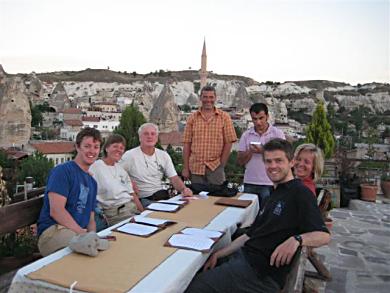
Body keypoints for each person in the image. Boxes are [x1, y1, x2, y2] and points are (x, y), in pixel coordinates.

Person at [185, 138, 330, 293]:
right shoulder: (275, 193)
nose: (273, 166)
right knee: (195, 268)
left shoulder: (300, 193)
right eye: (268, 162)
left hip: (260, 274)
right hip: (246, 259)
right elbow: (251, 234)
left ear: (291, 162)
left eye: (278, 161)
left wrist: (297, 240)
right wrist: (219, 254)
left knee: (194, 287)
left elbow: (324, 236)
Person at [37, 127, 102, 257]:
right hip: (54, 231)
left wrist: (92, 236)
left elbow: (90, 219)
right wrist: (82, 233)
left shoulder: (92, 183)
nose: (92, 151)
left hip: (77, 233)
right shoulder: (62, 171)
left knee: (100, 248)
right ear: (78, 147)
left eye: (96, 147)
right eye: (87, 146)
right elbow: (57, 211)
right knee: (88, 251)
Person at [120, 123, 193, 208]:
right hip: (143, 199)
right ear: (140, 137)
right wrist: (129, 183)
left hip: (161, 197)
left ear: (157, 137)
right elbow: (117, 175)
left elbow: (174, 178)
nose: (149, 136)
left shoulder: (163, 155)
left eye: (153, 134)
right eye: (146, 134)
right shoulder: (130, 156)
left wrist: (184, 189)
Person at [182, 85, 237, 185]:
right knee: (197, 199)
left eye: (211, 97)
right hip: (195, 168)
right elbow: (187, 144)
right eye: (205, 97)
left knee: (217, 198)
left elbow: (229, 142)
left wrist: (222, 164)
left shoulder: (224, 117)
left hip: (215, 167)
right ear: (200, 98)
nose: (208, 100)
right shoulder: (192, 118)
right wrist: (186, 168)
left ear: (215, 98)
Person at [89, 134, 144, 230]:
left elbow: (132, 194)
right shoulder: (95, 167)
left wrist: (143, 213)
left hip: (132, 209)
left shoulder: (120, 169)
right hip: (116, 214)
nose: (119, 150)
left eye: (121, 148)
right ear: (106, 148)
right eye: (115, 146)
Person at [237, 103, 285, 207]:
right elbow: (240, 161)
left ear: (267, 117)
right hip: (250, 182)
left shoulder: (277, 134)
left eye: (261, 118)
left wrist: (263, 150)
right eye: (255, 119)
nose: (258, 122)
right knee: (248, 217)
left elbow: (283, 157)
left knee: (268, 215)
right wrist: (250, 151)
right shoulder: (246, 135)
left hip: (270, 182)